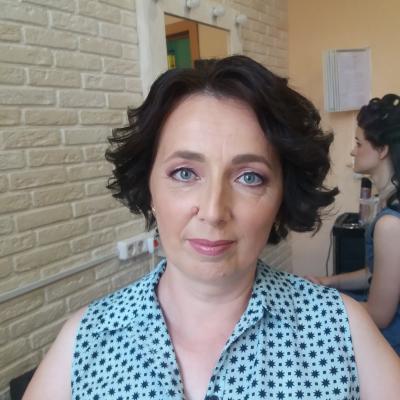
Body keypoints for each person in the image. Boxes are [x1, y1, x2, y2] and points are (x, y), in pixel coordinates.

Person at [23, 57, 400, 400]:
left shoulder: (339, 329)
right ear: (149, 187)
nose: (214, 211)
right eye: (184, 173)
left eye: (250, 177)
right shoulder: (86, 339)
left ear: (282, 198)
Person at [307, 94, 400, 355]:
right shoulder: (388, 204)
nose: (352, 151)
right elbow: (375, 274)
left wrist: (325, 306)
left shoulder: (390, 224)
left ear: (382, 150)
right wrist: (329, 281)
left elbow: (380, 316)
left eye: (359, 143)